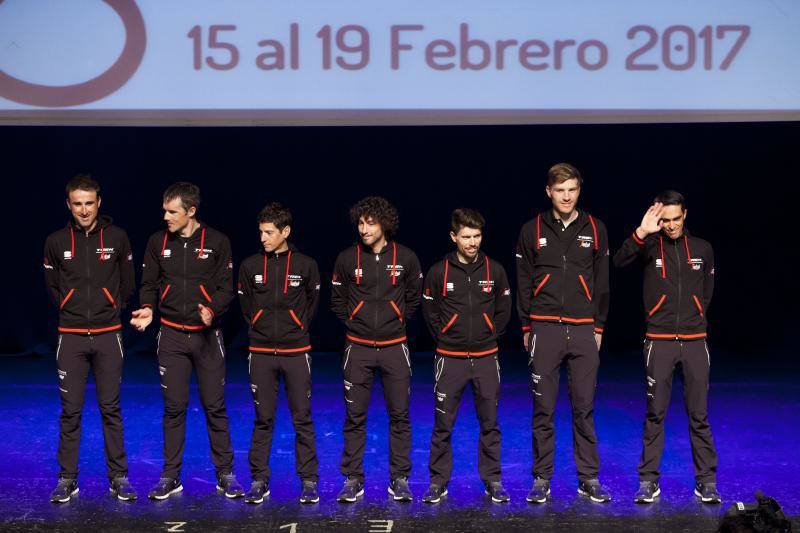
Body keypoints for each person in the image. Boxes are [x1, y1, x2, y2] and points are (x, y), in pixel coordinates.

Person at [131, 182, 243, 499]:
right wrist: (149, 309)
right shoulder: (157, 242)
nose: (165, 216)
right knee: (174, 408)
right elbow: (149, 283)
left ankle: (226, 475)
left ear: (191, 212)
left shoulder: (218, 242)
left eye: (172, 211)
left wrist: (213, 311)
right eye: (164, 210)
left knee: (214, 407)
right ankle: (170, 476)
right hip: (170, 338)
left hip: (207, 338)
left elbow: (226, 287)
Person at [613, 190, 720, 504]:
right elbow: (618, 261)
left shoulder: (703, 248)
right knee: (655, 413)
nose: (671, 225)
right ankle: (648, 481)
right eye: (665, 220)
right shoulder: (649, 246)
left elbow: (708, 291)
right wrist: (643, 231)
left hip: (694, 342)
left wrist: (695, 315)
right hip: (658, 342)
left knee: (698, 415)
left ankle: (706, 482)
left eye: (676, 219)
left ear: (685, 215)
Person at [515, 163, 611, 503]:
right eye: (560, 190)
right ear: (548, 192)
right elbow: (523, 279)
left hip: (584, 329)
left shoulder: (596, 228)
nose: (566, 196)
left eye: (571, 189)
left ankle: (589, 478)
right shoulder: (532, 229)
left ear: (578, 190)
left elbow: (602, 283)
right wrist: (527, 325)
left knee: (584, 408)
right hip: (544, 328)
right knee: (544, 409)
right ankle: (542, 478)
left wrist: (598, 326)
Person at [43, 174, 137, 502]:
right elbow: (53, 288)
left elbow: (127, 285)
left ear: (100, 203)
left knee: (110, 408)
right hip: (70, 338)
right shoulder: (55, 241)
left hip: (108, 334)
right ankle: (67, 478)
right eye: (77, 204)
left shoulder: (118, 237)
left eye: (89, 203)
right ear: (69, 205)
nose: (84, 210)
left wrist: (108, 308)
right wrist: (71, 308)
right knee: (71, 411)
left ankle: (119, 478)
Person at [330, 196, 422, 503]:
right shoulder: (346, 258)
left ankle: (399, 479)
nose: (364, 228)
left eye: (370, 222)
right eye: (360, 222)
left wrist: (394, 320)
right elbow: (338, 302)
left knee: (400, 416)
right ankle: (353, 479)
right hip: (357, 350)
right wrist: (358, 323)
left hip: (395, 348)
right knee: (354, 417)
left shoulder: (406, 258)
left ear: (385, 224)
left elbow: (413, 299)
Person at [421, 208, 512, 504]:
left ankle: (493, 481)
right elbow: (430, 312)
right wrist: (448, 337)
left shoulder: (494, 270)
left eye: (477, 236)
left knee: (490, 422)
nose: (473, 242)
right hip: (450, 359)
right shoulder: (438, 272)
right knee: (443, 424)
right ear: (454, 237)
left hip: (486, 358)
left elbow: (503, 311)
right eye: (466, 237)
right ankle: (438, 482)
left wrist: (487, 334)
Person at [237, 203, 321, 504]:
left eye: (269, 232)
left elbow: (312, 305)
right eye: (260, 232)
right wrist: (260, 326)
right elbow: (247, 308)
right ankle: (259, 480)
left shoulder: (306, 265)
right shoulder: (249, 266)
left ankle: (309, 481)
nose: (263, 237)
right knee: (263, 419)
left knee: (302, 418)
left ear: (285, 232)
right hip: (260, 352)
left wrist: (295, 327)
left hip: (296, 351)